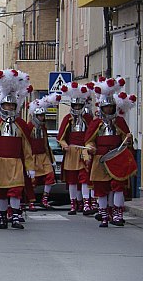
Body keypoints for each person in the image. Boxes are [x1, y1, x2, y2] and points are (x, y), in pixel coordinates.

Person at [0, 69, 34, 230]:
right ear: (1, 105)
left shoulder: (21, 125)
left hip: (15, 163)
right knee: (1, 192)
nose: (10, 107)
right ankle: (3, 217)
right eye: (7, 104)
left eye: (12, 105)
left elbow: (26, 147)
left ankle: (16, 217)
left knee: (15, 190)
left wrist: (30, 167)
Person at [84, 78, 135, 228]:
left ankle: (118, 214)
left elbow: (126, 139)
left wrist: (128, 140)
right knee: (101, 188)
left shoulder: (119, 122)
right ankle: (104, 215)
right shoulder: (96, 123)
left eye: (110, 107)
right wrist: (90, 147)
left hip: (116, 157)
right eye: (105, 107)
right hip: (100, 159)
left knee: (118, 186)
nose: (108, 110)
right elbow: (89, 140)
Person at [57, 83, 94, 215]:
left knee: (84, 178)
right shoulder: (67, 119)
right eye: (75, 105)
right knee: (72, 180)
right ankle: (74, 204)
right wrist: (64, 144)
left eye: (79, 105)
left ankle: (86, 204)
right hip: (71, 152)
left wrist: (90, 146)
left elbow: (93, 134)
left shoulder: (88, 119)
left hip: (84, 151)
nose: (77, 108)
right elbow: (60, 136)